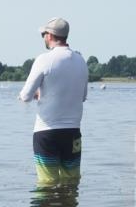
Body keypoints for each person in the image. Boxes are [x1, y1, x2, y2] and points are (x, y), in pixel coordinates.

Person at [18, 18, 89, 185]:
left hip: (47, 133)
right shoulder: (81, 61)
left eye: (43, 34)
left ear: (50, 35)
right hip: (72, 133)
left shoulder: (44, 59)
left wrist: (37, 94)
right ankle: (69, 202)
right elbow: (83, 97)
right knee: (71, 182)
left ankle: (49, 203)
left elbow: (26, 96)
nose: (43, 37)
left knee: (47, 184)